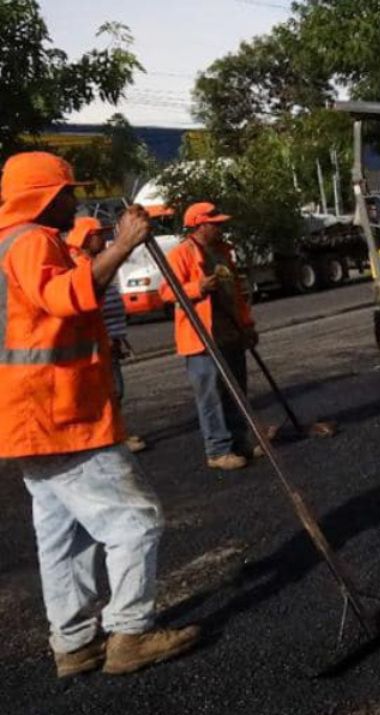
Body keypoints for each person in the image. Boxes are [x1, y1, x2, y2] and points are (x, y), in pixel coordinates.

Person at [0, 152, 199, 678]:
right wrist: (123, 245)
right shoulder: (29, 242)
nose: (75, 201)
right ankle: (129, 634)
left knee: (65, 537)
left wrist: (108, 251)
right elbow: (65, 296)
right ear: (44, 196)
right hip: (61, 415)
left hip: (32, 418)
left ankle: (73, 644)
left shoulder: (15, 244)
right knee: (135, 520)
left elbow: (73, 300)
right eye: (68, 193)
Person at [160, 202, 258, 471]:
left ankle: (240, 443)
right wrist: (197, 287)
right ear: (200, 225)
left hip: (230, 333)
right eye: (215, 223)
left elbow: (236, 294)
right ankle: (218, 450)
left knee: (236, 391)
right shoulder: (181, 254)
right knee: (210, 396)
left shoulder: (223, 253)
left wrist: (247, 325)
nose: (220, 227)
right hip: (202, 339)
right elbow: (167, 292)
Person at [66, 217, 147, 453]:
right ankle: (112, 437)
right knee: (109, 391)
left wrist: (119, 336)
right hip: (97, 342)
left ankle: (115, 433)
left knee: (114, 390)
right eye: (99, 234)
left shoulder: (98, 263)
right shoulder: (83, 268)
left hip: (108, 339)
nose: (104, 239)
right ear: (88, 237)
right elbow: (89, 306)